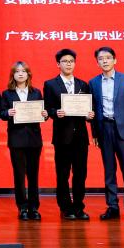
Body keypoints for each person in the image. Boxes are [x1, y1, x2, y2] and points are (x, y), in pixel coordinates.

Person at [89, 46, 124, 222]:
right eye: (101, 59)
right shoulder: (93, 83)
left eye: (108, 58)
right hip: (104, 130)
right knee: (109, 171)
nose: (105, 61)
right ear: (97, 63)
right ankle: (112, 207)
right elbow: (93, 109)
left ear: (115, 60)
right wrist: (95, 133)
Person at [43, 48, 94, 221]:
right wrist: (55, 112)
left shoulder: (83, 85)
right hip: (62, 137)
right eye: (64, 61)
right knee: (63, 173)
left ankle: (79, 206)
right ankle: (65, 207)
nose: (68, 64)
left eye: (71, 61)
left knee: (80, 173)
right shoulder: (50, 84)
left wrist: (89, 115)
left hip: (80, 137)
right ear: (58, 64)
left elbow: (88, 108)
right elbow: (47, 108)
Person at [0, 61, 47, 221]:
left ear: (28, 74)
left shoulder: (36, 92)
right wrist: (8, 113)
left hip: (34, 139)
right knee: (19, 175)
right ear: (13, 75)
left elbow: (43, 114)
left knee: (33, 174)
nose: (20, 74)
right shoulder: (7, 94)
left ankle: (34, 207)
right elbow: (1, 113)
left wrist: (45, 114)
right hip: (16, 139)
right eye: (17, 71)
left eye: (23, 71)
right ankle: (22, 207)